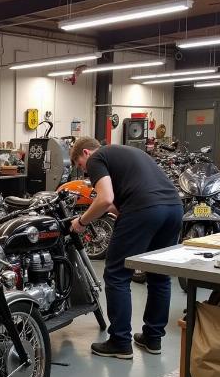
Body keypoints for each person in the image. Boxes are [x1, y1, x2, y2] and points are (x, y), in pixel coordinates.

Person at [69, 137, 183, 359]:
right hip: (173, 208)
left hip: (145, 208)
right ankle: (152, 338)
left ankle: (120, 342)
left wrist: (81, 222)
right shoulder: (127, 152)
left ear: (85, 153)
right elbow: (116, 200)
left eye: (81, 166)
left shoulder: (96, 158)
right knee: (159, 277)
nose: (85, 172)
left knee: (116, 275)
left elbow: (105, 198)